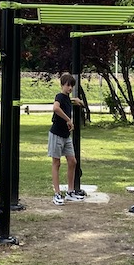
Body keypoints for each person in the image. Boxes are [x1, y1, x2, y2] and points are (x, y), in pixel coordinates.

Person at [49, 72, 85, 205]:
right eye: (67, 85)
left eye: (71, 86)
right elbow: (56, 108)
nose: (69, 88)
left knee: (72, 161)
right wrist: (68, 120)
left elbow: (69, 100)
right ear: (62, 85)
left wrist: (77, 101)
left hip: (66, 135)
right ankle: (57, 194)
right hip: (56, 134)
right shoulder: (59, 96)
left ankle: (70, 192)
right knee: (56, 163)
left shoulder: (67, 98)